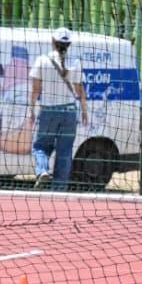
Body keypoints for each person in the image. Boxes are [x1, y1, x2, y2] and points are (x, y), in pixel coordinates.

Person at [29, 27, 88, 190]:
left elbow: (35, 90)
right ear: (69, 44)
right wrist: (84, 111)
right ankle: (59, 189)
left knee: (40, 145)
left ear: (52, 42)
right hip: (70, 112)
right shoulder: (75, 62)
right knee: (65, 150)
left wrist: (31, 110)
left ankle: (42, 171)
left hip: (48, 110)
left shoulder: (41, 60)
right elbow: (80, 90)